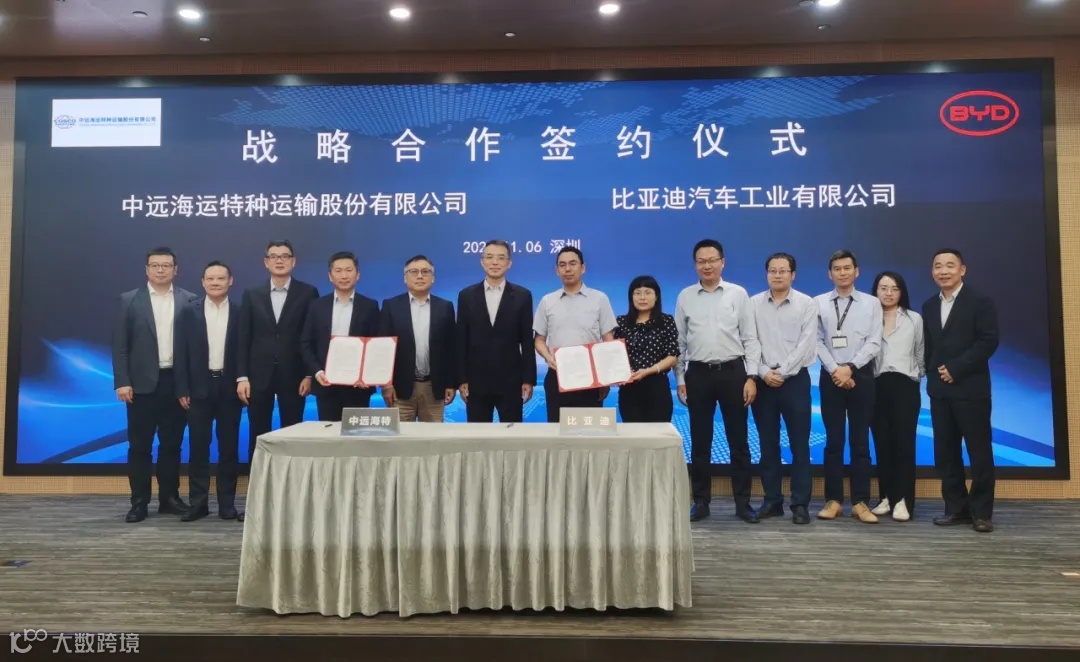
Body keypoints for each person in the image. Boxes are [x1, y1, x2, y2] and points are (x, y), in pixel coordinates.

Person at [674, 239, 761, 524]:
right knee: (700, 441)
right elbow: (680, 342)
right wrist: (680, 379)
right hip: (698, 374)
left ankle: (743, 503)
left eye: (712, 260)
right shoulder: (686, 296)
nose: (707, 265)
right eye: (701, 261)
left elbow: (750, 338)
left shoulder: (738, 294)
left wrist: (751, 376)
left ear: (722, 262)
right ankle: (701, 501)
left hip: (733, 372)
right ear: (695, 265)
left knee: (739, 441)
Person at [111, 247, 198, 523]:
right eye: (155, 265)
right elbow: (120, 346)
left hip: (176, 384)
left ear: (176, 270)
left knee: (172, 445)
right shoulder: (129, 300)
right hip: (140, 386)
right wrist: (122, 381)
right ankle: (139, 502)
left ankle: (169, 498)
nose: (161, 270)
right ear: (146, 269)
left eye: (166, 265)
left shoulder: (189, 300)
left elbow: (195, 347)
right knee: (140, 447)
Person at [921, 249, 999, 533]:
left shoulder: (980, 301)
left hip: (971, 390)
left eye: (950, 266)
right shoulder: (929, 305)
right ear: (932, 271)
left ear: (962, 269)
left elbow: (988, 341)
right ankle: (956, 508)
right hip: (940, 392)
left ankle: (982, 513)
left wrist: (956, 368)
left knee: (979, 453)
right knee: (946, 453)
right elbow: (929, 346)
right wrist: (932, 375)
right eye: (938, 266)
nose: (944, 271)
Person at [815, 249, 883, 524]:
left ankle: (860, 502)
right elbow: (816, 341)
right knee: (833, 441)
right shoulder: (818, 303)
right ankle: (833, 500)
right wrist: (836, 369)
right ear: (829, 274)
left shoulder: (872, 303)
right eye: (837, 269)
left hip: (861, 376)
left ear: (857, 272)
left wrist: (850, 368)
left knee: (860, 441)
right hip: (830, 376)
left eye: (847, 268)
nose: (842, 273)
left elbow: (874, 342)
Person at [749, 253, 817, 525]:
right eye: (772, 271)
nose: (777, 275)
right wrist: (764, 372)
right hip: (763, 382)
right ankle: (772, 501)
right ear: (766, 273)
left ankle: (800, 504)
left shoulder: (806, 304)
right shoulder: (753, 303)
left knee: (800, 445)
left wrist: (783, 372)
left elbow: (806, 344)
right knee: (768, 444)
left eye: (783, 271)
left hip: (795, 381)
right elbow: (749, 342)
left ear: (793, 274)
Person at [174, 261, 243, 522]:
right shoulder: (188, 312)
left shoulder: (240, 311)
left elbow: (245, 350)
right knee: (198, 448)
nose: (215, 283)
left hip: (229, 389)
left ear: (230, 281)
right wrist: (182, 388)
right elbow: (180, 352)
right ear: (203, 282)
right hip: (197, 389)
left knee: (229, 449)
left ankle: (227, 504)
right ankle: (198, 503)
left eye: (221, 278)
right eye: (210, 279)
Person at [236, 240, 319, 455]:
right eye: (273, 256)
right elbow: (243, 337)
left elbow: (312, 337)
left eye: (284, 256)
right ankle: (258, 476)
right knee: (258, 432)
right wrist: (242, 377)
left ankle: (291, 477)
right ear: (266, 262)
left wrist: (309, 375)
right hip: (258, 376)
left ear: (293, 261)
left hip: (294, 374)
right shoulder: (252, 293)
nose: (279, 261)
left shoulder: (308, 293)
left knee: (292, 432)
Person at [533, 246, 617, 423]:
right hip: (557, 375)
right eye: (562, 265)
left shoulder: (599, 299)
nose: (568, 269)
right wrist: (548, 357)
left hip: (591, 378)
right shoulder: (547, 301)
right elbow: (539, 340)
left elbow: (608, 340)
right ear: (557, 270)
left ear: (583, 268)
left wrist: (605, 378)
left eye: (573, 264)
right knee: (558, 431)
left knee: (589, 432)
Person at [456, 240, 536, 423]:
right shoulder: (466, 296)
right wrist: (461, 379)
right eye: (489, 257)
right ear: (482, 262)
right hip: (476, 382)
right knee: (477, 435)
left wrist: (528, 379)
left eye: (501, 258)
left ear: (509, 263)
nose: (495, 262)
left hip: (511, 381)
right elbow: (461, 340)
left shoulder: (523, 296)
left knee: (512, 434)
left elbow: (526, 340)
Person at [870, 271, 925, 523]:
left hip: (905, 386)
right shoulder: (868, 318)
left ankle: (903, 500)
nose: (888, 293)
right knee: (882, 444)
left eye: (894, 288)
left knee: (904, 444)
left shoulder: (914, 319)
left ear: (901, 292)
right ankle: (886, 497)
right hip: (876, 385)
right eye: (883, 288)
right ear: (876, 291)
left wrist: (915, 376)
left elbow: (920, 353)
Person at [301, 251, 381, 421]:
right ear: (330, 276)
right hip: (326, 384)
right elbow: (306, 343)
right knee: (329, 433)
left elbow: (376, 345)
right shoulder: (317, 306)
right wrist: (317, 372)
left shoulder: (370, 306)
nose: (344, 276)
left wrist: (367, 375)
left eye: (349, 270)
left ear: (357, 275)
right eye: (338, 271)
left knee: (357, 433)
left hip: (359, 387)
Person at [380, 255, 457, 422]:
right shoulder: (391, 306)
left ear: (433, 278)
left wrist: (450, 383)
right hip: (399, 389)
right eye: (414, 272)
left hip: (434, 388)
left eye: (425, 272)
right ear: (405, 278)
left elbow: (451, 348)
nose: (420, 276)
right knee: (400, 437)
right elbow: (383, 348)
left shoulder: (445, 307)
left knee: (433, 437)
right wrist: (386, 384)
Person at [613, 275, 678, 422]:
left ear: (656, 297)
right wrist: (619, 372)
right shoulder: (621, 322)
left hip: (657, 386)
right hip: (629, 388)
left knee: (659, 433)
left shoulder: (666, 321)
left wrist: (648, 371)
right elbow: (614, 354)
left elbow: (672, 356)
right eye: (637, 293)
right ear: (631, 297)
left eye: (648, 292)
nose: (642, 297)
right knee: (633, 433)